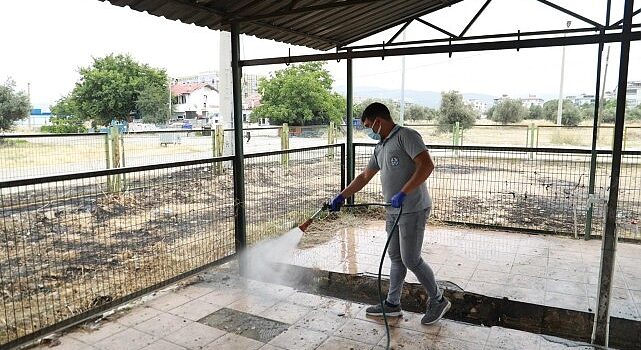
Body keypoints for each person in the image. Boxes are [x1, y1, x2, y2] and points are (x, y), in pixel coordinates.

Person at [330, 102, 450, 325]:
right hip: (393, 210)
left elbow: (427, 165)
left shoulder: (407, 136)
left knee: (411, 259)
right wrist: (342, 196)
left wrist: (404, 192)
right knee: (396, 257)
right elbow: (364, 177)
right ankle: (393, 304)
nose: (369, 130)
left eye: (369, 125)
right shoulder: (380, 146)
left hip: (413, 207)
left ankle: (438, 299)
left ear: (379, 120)